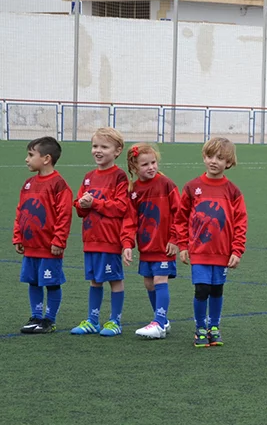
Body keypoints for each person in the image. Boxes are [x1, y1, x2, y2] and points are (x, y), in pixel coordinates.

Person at [178, 137, 247, 348]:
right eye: (209, 156)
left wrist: (237, 250)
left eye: (220, 158)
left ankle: (214, 327)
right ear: (204, 157)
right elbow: (180, 218)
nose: (213, 161)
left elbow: (240, 222)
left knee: (217, 290)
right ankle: (200, 327)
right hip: (199, 251)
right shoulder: (192, 187)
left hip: (222, 252)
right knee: (202, 289)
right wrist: (182, 245)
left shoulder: (233, 191)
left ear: (229, 163)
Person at [70, 127, 130, 337]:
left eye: (104, 147)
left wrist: (95, 203)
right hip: (91, 239)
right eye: (95, 146)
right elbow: (79, 209)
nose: (98, 150)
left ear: (117, 151)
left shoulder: (119, 177)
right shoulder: (88, 177)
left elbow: (121, 207)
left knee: (114, 279)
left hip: (109, 239)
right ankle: (93, 320)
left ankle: (115, 321)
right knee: (95, 280)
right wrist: (83, 204)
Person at [121, 143, 182, 340]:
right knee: (149, 283)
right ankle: (162, 320)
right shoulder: (133, 190)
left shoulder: (166, 184)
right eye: (145, 164)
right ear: (134, 167)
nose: (151, 167)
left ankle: (159, 322)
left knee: (159, 280)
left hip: (165, 245)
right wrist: (127, 244)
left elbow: (180, 214)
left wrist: (175, 239)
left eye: (153, 162)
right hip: (147, 246)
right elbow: (130, 220)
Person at [14, 136, 73, 334]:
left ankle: (50, 320)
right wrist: (18, 236)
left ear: (46, 158)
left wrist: (59, 240)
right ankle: (36, 316)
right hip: (31, 246)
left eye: (31, 155)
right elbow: (21, 211)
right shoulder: (28, 184)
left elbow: (64, 215)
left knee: (51, 283)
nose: (26, 159)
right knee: (33, 281)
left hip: (49, 247)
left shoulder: (58, 184)